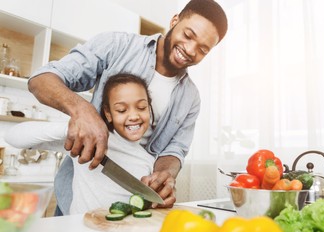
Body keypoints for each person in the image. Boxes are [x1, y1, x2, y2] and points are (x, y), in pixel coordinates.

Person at [27, 0, 228, 215]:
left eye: (203, 49)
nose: (190, 50)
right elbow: (40, 80)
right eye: (188, 35)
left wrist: (164, 174)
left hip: (135, 203)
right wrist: (82, 110)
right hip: (80, 194)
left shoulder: (191, 97)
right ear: (174, 21)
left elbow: (175, 149)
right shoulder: (117, 46)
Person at [5, 73, 156, 214]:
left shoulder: (149, 160)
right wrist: (71, 130)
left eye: (141, 107)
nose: (134, 116)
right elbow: (12, 136)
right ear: (108, 114)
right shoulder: (87, 141)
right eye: (122, 110)